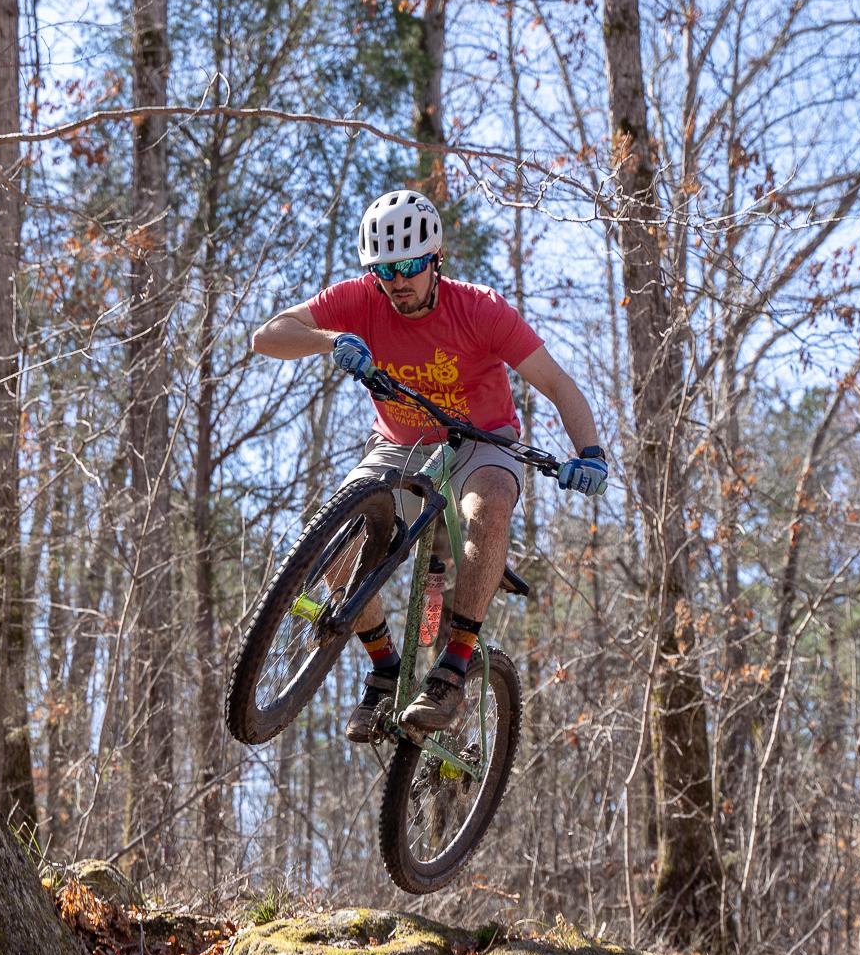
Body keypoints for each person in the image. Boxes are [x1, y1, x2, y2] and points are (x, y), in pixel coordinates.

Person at [250, 189, 609, 739]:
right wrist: (331, 339)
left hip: (481, 439)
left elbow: (558, 383)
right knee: (333, 545)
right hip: (397, 443)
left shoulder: (480, 309)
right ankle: (385, 669)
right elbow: (267, 337)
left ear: (436, 259)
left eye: (412, 266)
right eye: (385, 269)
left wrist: (590, 453)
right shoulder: (360, 299)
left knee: (487, 506)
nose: (399, 280)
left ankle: (453, 667)